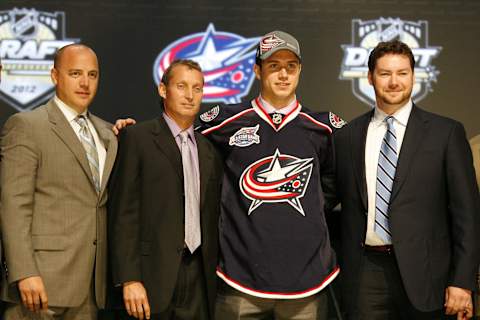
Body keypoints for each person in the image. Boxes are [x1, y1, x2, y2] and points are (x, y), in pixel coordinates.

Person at [198, 30, 342, 319]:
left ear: (300, 70)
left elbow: (337, 184)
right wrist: (128, 130)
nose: (283, 75)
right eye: (274, 66)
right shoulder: (227, 120)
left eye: (291, 66)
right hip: (240, 279)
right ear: (256, 70)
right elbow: (171, 134)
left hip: (308, 281)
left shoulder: (324, 127)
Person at [334, 40, 480, 319]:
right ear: (369, 77)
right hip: (365, 275)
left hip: (428, 276)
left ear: (413, 76)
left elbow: (468, 215)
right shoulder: (347, 136)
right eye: (385, 73)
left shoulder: (445, 133)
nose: (394, 82)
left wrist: (462, 281)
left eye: (402, 73)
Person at [0, 44, 118, 319]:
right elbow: (14, 206)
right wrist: (24, 271)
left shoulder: (108, 133)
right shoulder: (27, 126)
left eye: (92, 74)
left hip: (91, 288)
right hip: (40, 282)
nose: (85, 82)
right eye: (75, 73)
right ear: (55, 76)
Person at [108, 59, 223, 320]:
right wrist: (129, 279)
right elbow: (122, 214)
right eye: (181, 86)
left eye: (197, 88)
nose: (190, 95)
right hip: (150, 276)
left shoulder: (210, 150)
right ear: (163, 90)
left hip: (199, 277)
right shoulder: (137, 138)